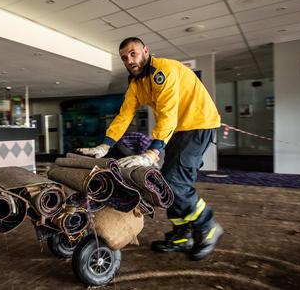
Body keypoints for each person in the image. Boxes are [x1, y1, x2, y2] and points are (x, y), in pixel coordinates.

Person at [77, 37, 223, 261]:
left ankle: (207, 225)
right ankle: (183, 234)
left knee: (175, 183)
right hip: (179, 130)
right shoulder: (136, 84)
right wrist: (105, 145)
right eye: (125, 58)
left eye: (133, 53)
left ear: (145, 51)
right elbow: (124, 115)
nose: (129, 60)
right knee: (168, 183)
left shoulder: (163, 71)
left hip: (199, 124)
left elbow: (168, 114)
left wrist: (152, 152)